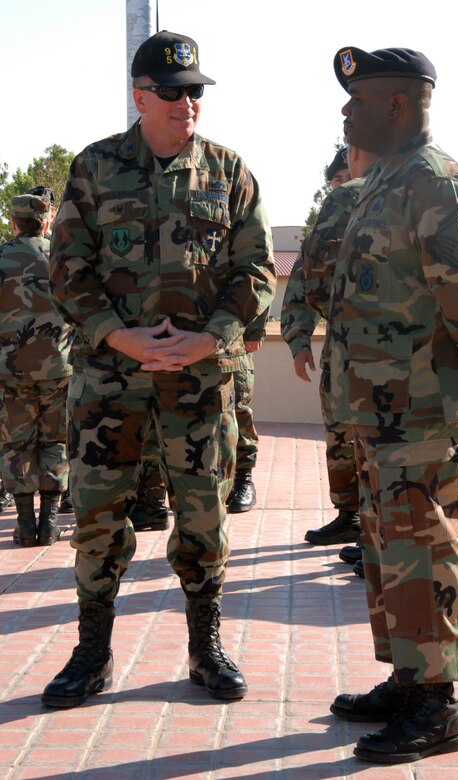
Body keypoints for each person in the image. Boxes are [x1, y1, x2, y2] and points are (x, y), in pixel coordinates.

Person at [41, 30, 275, 708]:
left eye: (195, 90)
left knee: (203, 514)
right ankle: (92, 654)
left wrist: (212, 339)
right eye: (171, 91)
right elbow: (68, 268)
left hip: (198, 382)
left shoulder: (229, 172)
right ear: (140, 96)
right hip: (109, 381)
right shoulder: (94, 168)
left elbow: (256, 270)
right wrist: (118, 335)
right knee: (98, 516)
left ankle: (205, 648)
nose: (187, 102)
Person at [326, 46, 458, 764]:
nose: (347, 112)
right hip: (377, 408)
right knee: (388, 550)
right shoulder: (385, 180)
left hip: (420, 408)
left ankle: (438, 707)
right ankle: (409, 680)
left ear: (397, 104)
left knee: (424, 549)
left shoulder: (438, 185)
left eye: (358, 100)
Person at [281, 147, 361, 546]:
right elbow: (301, 282)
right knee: (340, 434)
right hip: (340, 347)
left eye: (346, 179)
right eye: (335, 183)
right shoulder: (327, 228)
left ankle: (380, 530)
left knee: (378, 438)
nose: (341, 189)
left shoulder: (395, 212)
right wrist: (299, 341)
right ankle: (350, 515)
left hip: (392, 347)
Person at [0, 194, 73, 546]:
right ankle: (49, 523)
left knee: (16, 443)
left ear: (14, 222)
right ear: (46, 223)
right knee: (55, 441)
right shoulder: (63, 257)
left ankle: (25, 525)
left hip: (10, 371)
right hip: (59, 367)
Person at [226, 312, 268, 514]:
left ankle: (243, 479)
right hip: (187, 334)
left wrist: (255, 330)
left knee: (237, 408)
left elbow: (259, 291)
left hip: (232, 337)